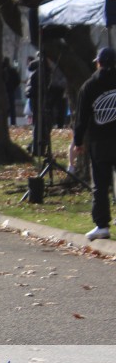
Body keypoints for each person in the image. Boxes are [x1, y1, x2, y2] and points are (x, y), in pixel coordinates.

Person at [72, 48, 116, 241]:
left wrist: (78, 140)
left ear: (98, 63)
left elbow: (81, 117)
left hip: (100, 141)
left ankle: (102, 225)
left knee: (100, 184)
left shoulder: (89, 86)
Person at [3, 57, 21, 127]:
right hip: (10, 90)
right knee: (11, 107)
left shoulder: (2, 71)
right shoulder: (12, 70)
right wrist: (13, 87)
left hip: (5, 91)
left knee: (5, 107)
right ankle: (13, 122)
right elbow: (18, 80)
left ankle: (5, 122)